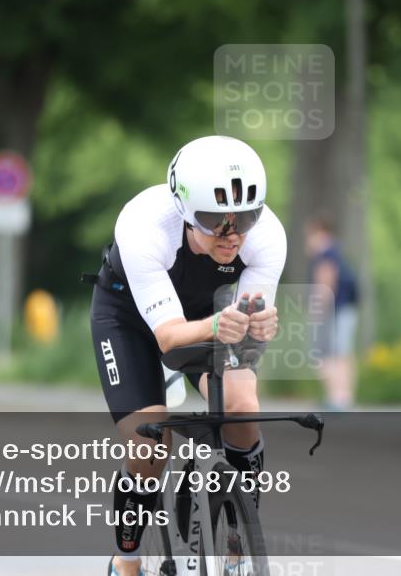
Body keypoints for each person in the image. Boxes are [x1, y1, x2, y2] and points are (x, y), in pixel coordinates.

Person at [85, 135, 285, 576]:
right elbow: (170, 338)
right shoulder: (143, 226)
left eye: (245, 218)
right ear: (185, 212)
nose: (232, 235)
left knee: (241, 405)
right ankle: (127, 561)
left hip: (205, 312)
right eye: (216, 222)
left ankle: (238, 543)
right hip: (131, 320)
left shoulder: (267, 235)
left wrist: (260, 326)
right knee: (150, 442)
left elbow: (249, 320)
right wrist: (221, 325)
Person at [305, 214, 358, 410]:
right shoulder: (336, 251)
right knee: (342, 353)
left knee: (328, 355)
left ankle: (338, 398)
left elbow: (325, 284)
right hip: (344, 308)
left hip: (334, 311)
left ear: (319, 232)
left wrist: (316, 313)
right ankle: (343, 398)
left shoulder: (325, 254)